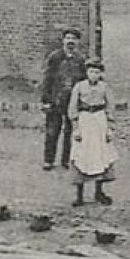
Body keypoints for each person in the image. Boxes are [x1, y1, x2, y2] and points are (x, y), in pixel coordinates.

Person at [68, 59, 117, 207]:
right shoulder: (79, 86)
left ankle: (98, 192)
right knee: (82, 155)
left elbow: (110, 108)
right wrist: (76, 127)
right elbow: (72, 107)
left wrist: (110, 128)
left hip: (99, 121)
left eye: (97, 72)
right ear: (86, 72)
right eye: (91, 72)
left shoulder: (104, 87)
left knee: (100, 155)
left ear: (101, 73)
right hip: (85, 121)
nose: (94, 75)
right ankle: (79, 195)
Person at [40, 30, 86, 171]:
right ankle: (49, 160)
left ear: (78, 42)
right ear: (63, 40)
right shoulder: (55, 57)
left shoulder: (81, 60)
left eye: (74, 39)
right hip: (56, 99)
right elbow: (47, 79)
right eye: (68, 38)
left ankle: (66, 160)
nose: (70, 41)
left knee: (70, 131)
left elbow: (84, 81)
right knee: (52, 131)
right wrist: (46, 99)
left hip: (72, 101)